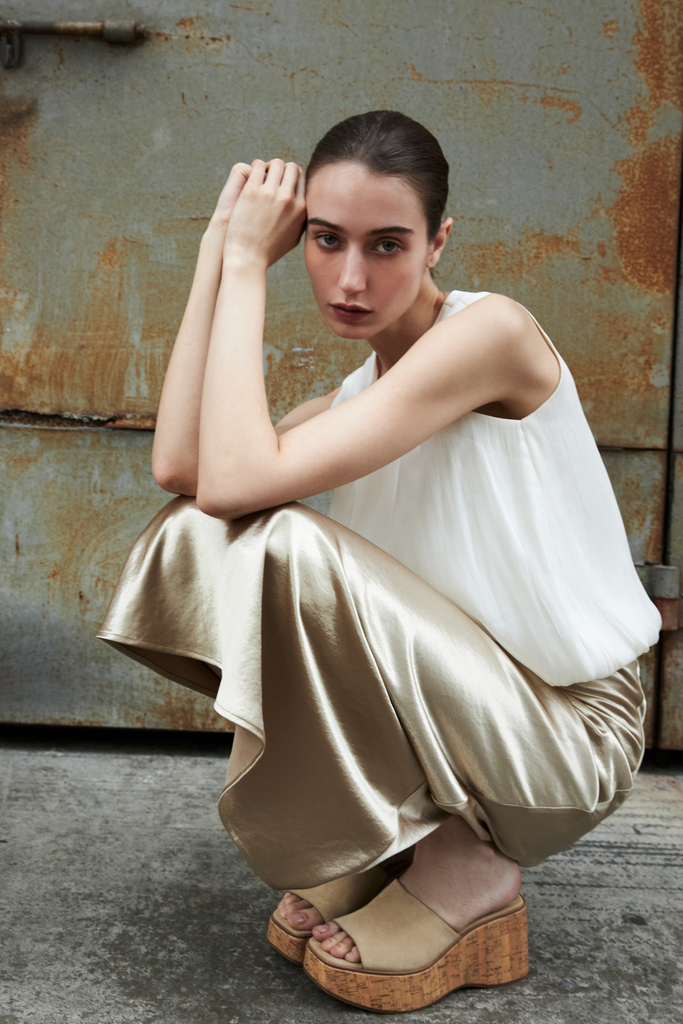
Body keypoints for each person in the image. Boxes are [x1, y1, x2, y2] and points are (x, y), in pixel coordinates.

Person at [98, 110, 660, 1013]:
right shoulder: (357, 398)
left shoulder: (492, 335)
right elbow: (186, 471)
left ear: (438, 242)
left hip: (567, 736)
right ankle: (396, 831)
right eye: (325, 240)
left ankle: (471, 863)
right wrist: (219, 247)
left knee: (282, 536)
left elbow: (238, 480)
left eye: (387, 244)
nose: (351, 278)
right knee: (200, 527)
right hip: (466, 712)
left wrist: (246, 270)